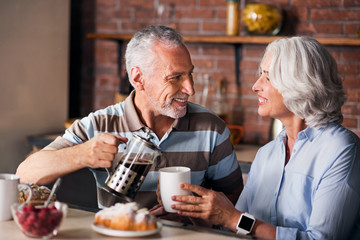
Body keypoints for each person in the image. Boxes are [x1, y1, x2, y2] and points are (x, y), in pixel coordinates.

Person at [16, 25, 243, 213]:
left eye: (189, 74)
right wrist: (83, 153)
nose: (190, 89)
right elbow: (24, 174)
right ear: (138, 78)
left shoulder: (212, 127)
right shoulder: (99, 124)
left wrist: (194, 208)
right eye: (176, 77)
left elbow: (235, 196)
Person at [168, 36, 360, 239]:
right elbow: (233, 228)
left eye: (267, 78)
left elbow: (321, 238)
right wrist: (192, 213)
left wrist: (233, 218)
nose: (255, 86)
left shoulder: (341, 149)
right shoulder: (266, 154)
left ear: (299, 84)